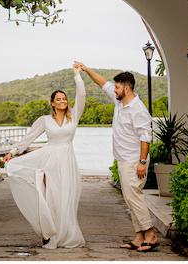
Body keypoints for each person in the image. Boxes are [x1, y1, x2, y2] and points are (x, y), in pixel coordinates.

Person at [75, 62, 159, 253]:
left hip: (134, 162)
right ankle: (139, 237)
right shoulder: (119, 101)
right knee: (129, 199)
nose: (114, 90)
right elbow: (102, 82)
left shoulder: (139, 110)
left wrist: (142, 162)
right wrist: (86, 69)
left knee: (134, 198)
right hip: (123, 160)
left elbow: (146, 138)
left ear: (126, 89)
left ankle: (151, 235)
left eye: (117, 87)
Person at [3, 63, 87, 249]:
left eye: (64, 98)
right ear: (52, 103)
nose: (62, 101)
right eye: (58, 99)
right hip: (50, 162)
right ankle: (51, 234)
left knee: (68, 199)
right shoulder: (45, 120)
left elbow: (81, 96)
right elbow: (29, 137)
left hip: (68, 162)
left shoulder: (74, 116)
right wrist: (13, 152)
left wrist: (77, 75)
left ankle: (67, 235)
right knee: (53, 199)